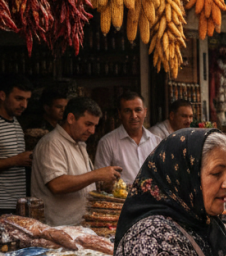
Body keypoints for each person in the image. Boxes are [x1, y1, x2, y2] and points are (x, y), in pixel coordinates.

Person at [31, 97, 122, 226]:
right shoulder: (52, 143)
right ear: (71, 118)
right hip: (58, 228)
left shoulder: (79, 143)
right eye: (88, 124)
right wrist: (96, 175)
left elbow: (82, 182)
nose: (92, 131)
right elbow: (57, 185)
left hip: (79, 227)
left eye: (95, 125)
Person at [95, 92, 161, 185]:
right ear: (120, 114)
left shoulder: (157, 142)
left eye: (138, 110)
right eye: (127, 111)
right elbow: (99, 181)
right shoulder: (107, 143)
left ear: (145, 112)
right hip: (121, 199)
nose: (134, 116)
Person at [0, 75, 32, 215]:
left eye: (27, 100)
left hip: (17, 203)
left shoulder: (15, 122)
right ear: (2, 95)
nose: (24, 105)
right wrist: (16, 160)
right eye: (19, 98)